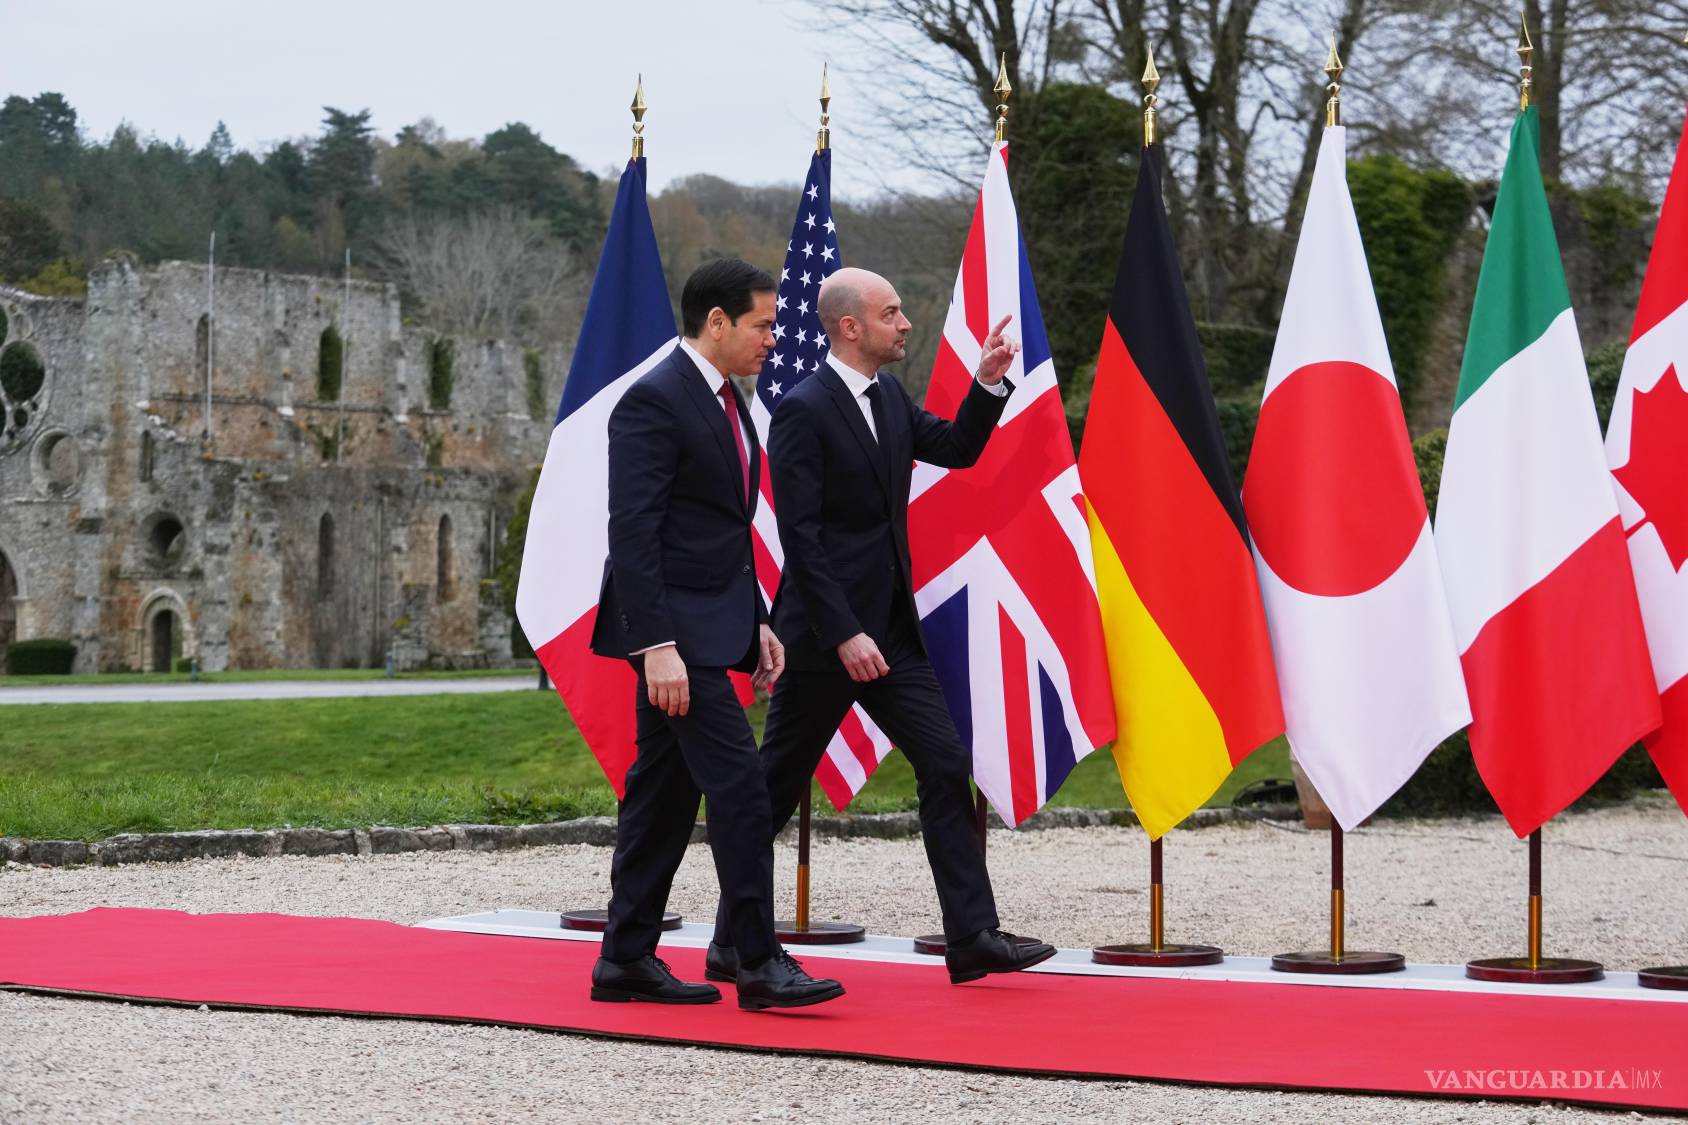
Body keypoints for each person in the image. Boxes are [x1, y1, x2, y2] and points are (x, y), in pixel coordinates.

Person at [707, 267, 1057, 986]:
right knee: (771, 792)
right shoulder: (804, 409)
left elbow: (959, 448)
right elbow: (800, 536)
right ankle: (728, 941)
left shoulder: (890, 398)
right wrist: (843, 632)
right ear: (850, 327)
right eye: (891, 313)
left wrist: (989, 383)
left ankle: (972, 936)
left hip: (892, 632)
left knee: (943, 761)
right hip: (822, 639)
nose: (905, 323)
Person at [589, 258, 844, 1011]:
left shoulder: (729, 402)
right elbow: (633, 533)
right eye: (764, 324)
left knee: (662, 797)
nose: (775, 337)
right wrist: (655, 644)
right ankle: (756, 960)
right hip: (674, 643)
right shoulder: (654, 401)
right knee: (741, 789)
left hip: (713, 626)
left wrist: (758, 618)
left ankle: (625, 958)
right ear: (717, 322)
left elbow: (717, 531)